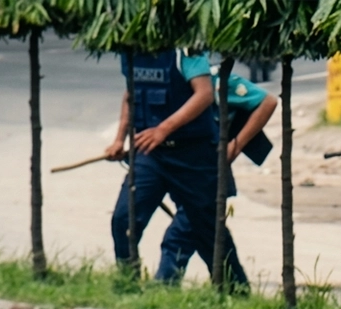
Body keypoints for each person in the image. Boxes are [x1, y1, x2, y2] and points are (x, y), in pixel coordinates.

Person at [105, 49, 249, 290]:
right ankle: (128, 285)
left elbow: (204, 94)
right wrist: (120, 139)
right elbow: (131, 93)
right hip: (152, 154)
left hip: (193, 153)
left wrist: (164, 129)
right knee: (124, 219)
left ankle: (235, 290)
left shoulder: (185, 50)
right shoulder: (130, 48)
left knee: (207, 230)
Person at [159, 67, 277, 286]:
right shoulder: (166, 84)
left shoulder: (218, 81)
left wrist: (236, 145)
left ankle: (164, 286)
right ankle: (236, 288)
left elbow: (267, 101)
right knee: (211, 236)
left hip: (208, 176)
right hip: (181, 172)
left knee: (179, 237)